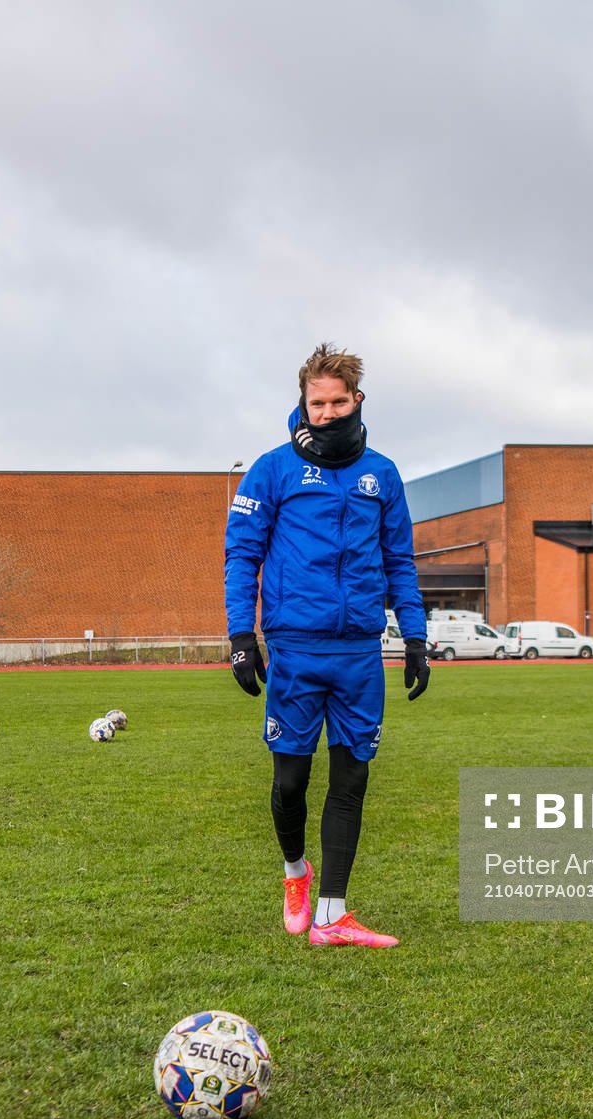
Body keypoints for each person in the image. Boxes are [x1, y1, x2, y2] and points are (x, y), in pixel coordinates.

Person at [224, 344, 429, 949]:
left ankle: (333, 915)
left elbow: (400, 561)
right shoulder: (271, 470)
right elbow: (242, 555)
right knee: (291, 781)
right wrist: (242, 636)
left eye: (340, 401)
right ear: (303, 403)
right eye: (319, 402)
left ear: (357, 400)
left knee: (351, 780)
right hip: (295, 648)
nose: (329, 412)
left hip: (361, 652)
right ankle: (296, 874)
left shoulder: (383, 474)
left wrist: (415, 637)